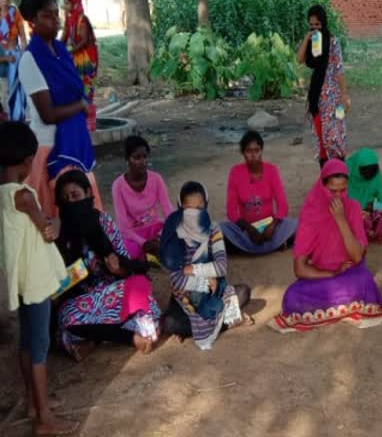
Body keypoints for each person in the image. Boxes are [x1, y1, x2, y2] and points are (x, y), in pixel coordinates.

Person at [0, 121, 79, 436]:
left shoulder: (3, 194)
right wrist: (56, 222)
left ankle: (34, 401)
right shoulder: (23, 195)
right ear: (26, 161)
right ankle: (44, 418)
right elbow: (47, 231)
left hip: (20, 280)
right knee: (39, 347)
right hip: (35, 280)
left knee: (27, 341)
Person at [54, 170, 161, 362]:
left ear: (88, 193)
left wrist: (116, 268)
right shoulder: (62, 233)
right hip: (82, 299)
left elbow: (126, 267)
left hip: (112, 292)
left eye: (75, 196)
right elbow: (61, 285)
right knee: (65, 316)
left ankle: (94, 338)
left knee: (139, 289)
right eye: (65, 199)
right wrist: (71, 276)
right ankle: (127, 337)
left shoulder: (104, 222)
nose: (71, 203)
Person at [269, 159, 382, 332]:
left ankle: (330, 310)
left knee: (365, 281)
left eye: (343, 190)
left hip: (350, 274)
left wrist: (341, 220)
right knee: (292, 296)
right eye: (332, 191)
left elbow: (357, 257)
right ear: (322, 187)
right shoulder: (310, 213)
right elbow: (300, 269)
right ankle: (347, 309)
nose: (338, 197)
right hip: (322, 276)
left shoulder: (352, 207)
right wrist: (332, 273)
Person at [18, 0, 101, 217]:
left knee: (85, 217)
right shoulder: (30, 59)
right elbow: (48, 114)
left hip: (73, 140)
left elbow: (76, 89)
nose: (55, 20)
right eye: (47, 15)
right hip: (48, 148)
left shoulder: (61, 51)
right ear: (33, 20)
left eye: (57, 14)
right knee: (57, 218)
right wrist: (81, 107)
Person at [159, 182, 253, 350]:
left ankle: (196, 330)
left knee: (244, 292)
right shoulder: (174, 232)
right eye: (189, 208)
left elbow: (222, 267)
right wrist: (203, 283)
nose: (194, 214)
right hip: (185, 299)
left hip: (214, 294)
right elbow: (176, 280)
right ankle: (227, 323)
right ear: (180, 207)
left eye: (199, 208)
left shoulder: (213, 228)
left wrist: (193, 270)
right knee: (168, 323)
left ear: (206, 205)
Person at [219, 131, 298, 255]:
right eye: (249, 151)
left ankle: (246, 249)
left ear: (262, 150)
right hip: (246, 229)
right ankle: (277, 245)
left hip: (271, 226)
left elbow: (283, 206)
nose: (253, 155)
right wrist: (249, 229)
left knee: (300, 226)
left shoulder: (271, 170)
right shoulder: (235, 172)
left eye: (257, 150)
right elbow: (231, 212)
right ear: (243, 153)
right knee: (217, 230)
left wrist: (273, 225)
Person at [296, 5, 349, 165]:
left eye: (317, 25)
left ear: (324, 23)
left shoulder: (333, 42)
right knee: (320, 138)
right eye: (311, 26)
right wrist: (307, 38)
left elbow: (339, 70)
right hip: (316, 99)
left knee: (336, 135)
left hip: (334, 99)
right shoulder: (312, 43)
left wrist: (344, 95)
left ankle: (340, 175)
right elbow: (299, 60)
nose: (314, 29)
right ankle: (326, 178)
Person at [111, 135, 174, 261]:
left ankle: (150, 255)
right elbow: (123, 228)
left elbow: (169, 212)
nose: (143, 162)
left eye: (145, 157)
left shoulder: (156, 179)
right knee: (124, 251)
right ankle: (149, 254)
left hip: (155, 229)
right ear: (127, 159)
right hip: (133, 234)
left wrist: (162, 235)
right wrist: (144, 243)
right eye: (137, 158)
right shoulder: (118, 186)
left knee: (178, 231)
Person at [61, 0, 98, 132]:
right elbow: (63, 38)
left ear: (74, 3)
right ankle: (79, 119)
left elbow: (83, 40)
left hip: (86, 59)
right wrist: (56, 48)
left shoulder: (82, 18)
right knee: (75, 87)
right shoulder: (69, 19)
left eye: (67, 3)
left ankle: (89, 121)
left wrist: (70, 51)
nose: (65, 6)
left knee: (87, 88)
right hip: (75, 57)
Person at [346, 148, 382, 242]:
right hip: (348, 210)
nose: (368, 178)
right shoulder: (345, 171)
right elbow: (337, 198)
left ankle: (366, 230)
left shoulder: (375, 175)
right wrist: (356, 211)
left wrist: (371, 208)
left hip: (368, 208)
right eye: (364, 174)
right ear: (357, 168)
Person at [0, 0, 27, 121]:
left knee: (16, 94)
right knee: (4, 95)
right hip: (2, 60)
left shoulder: (15, 13)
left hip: (15, 59)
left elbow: (23, 37)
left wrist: (23, 55)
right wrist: (4, 59)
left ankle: (17, 123)